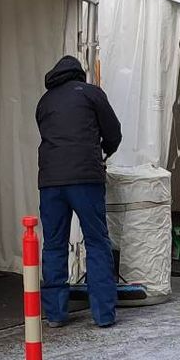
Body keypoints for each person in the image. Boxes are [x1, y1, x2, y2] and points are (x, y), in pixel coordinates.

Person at [35, 55, 121, 329]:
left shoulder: (44, 102)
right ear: (79, 75)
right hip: (85, 178)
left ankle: (56, 314)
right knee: (96, 241)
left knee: (54, 244)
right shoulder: (91, 94)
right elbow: (113, 132)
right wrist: (106, 149)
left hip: (50, 182)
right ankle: (103, 314)